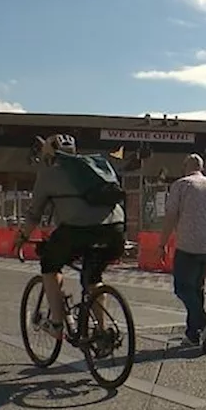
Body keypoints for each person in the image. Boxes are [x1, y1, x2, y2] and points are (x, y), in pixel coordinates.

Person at [17, 134, 126, 340]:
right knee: (92, 278)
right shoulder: (96, 166)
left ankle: (57, 324)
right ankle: (101, 332)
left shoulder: (49, 173)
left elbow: (34, 214)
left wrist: (22, 237)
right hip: (115, 230)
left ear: (48, 152)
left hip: (77, 230)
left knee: (50, 265)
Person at [159, 153, 206, 353]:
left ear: (186, 166)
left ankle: (204, 321)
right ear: (202, 167)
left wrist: (162, 243)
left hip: (188, 243)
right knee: (197, 287)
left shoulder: (181, 185)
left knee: (182, 287)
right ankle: (192, 334)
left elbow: (171, 216)